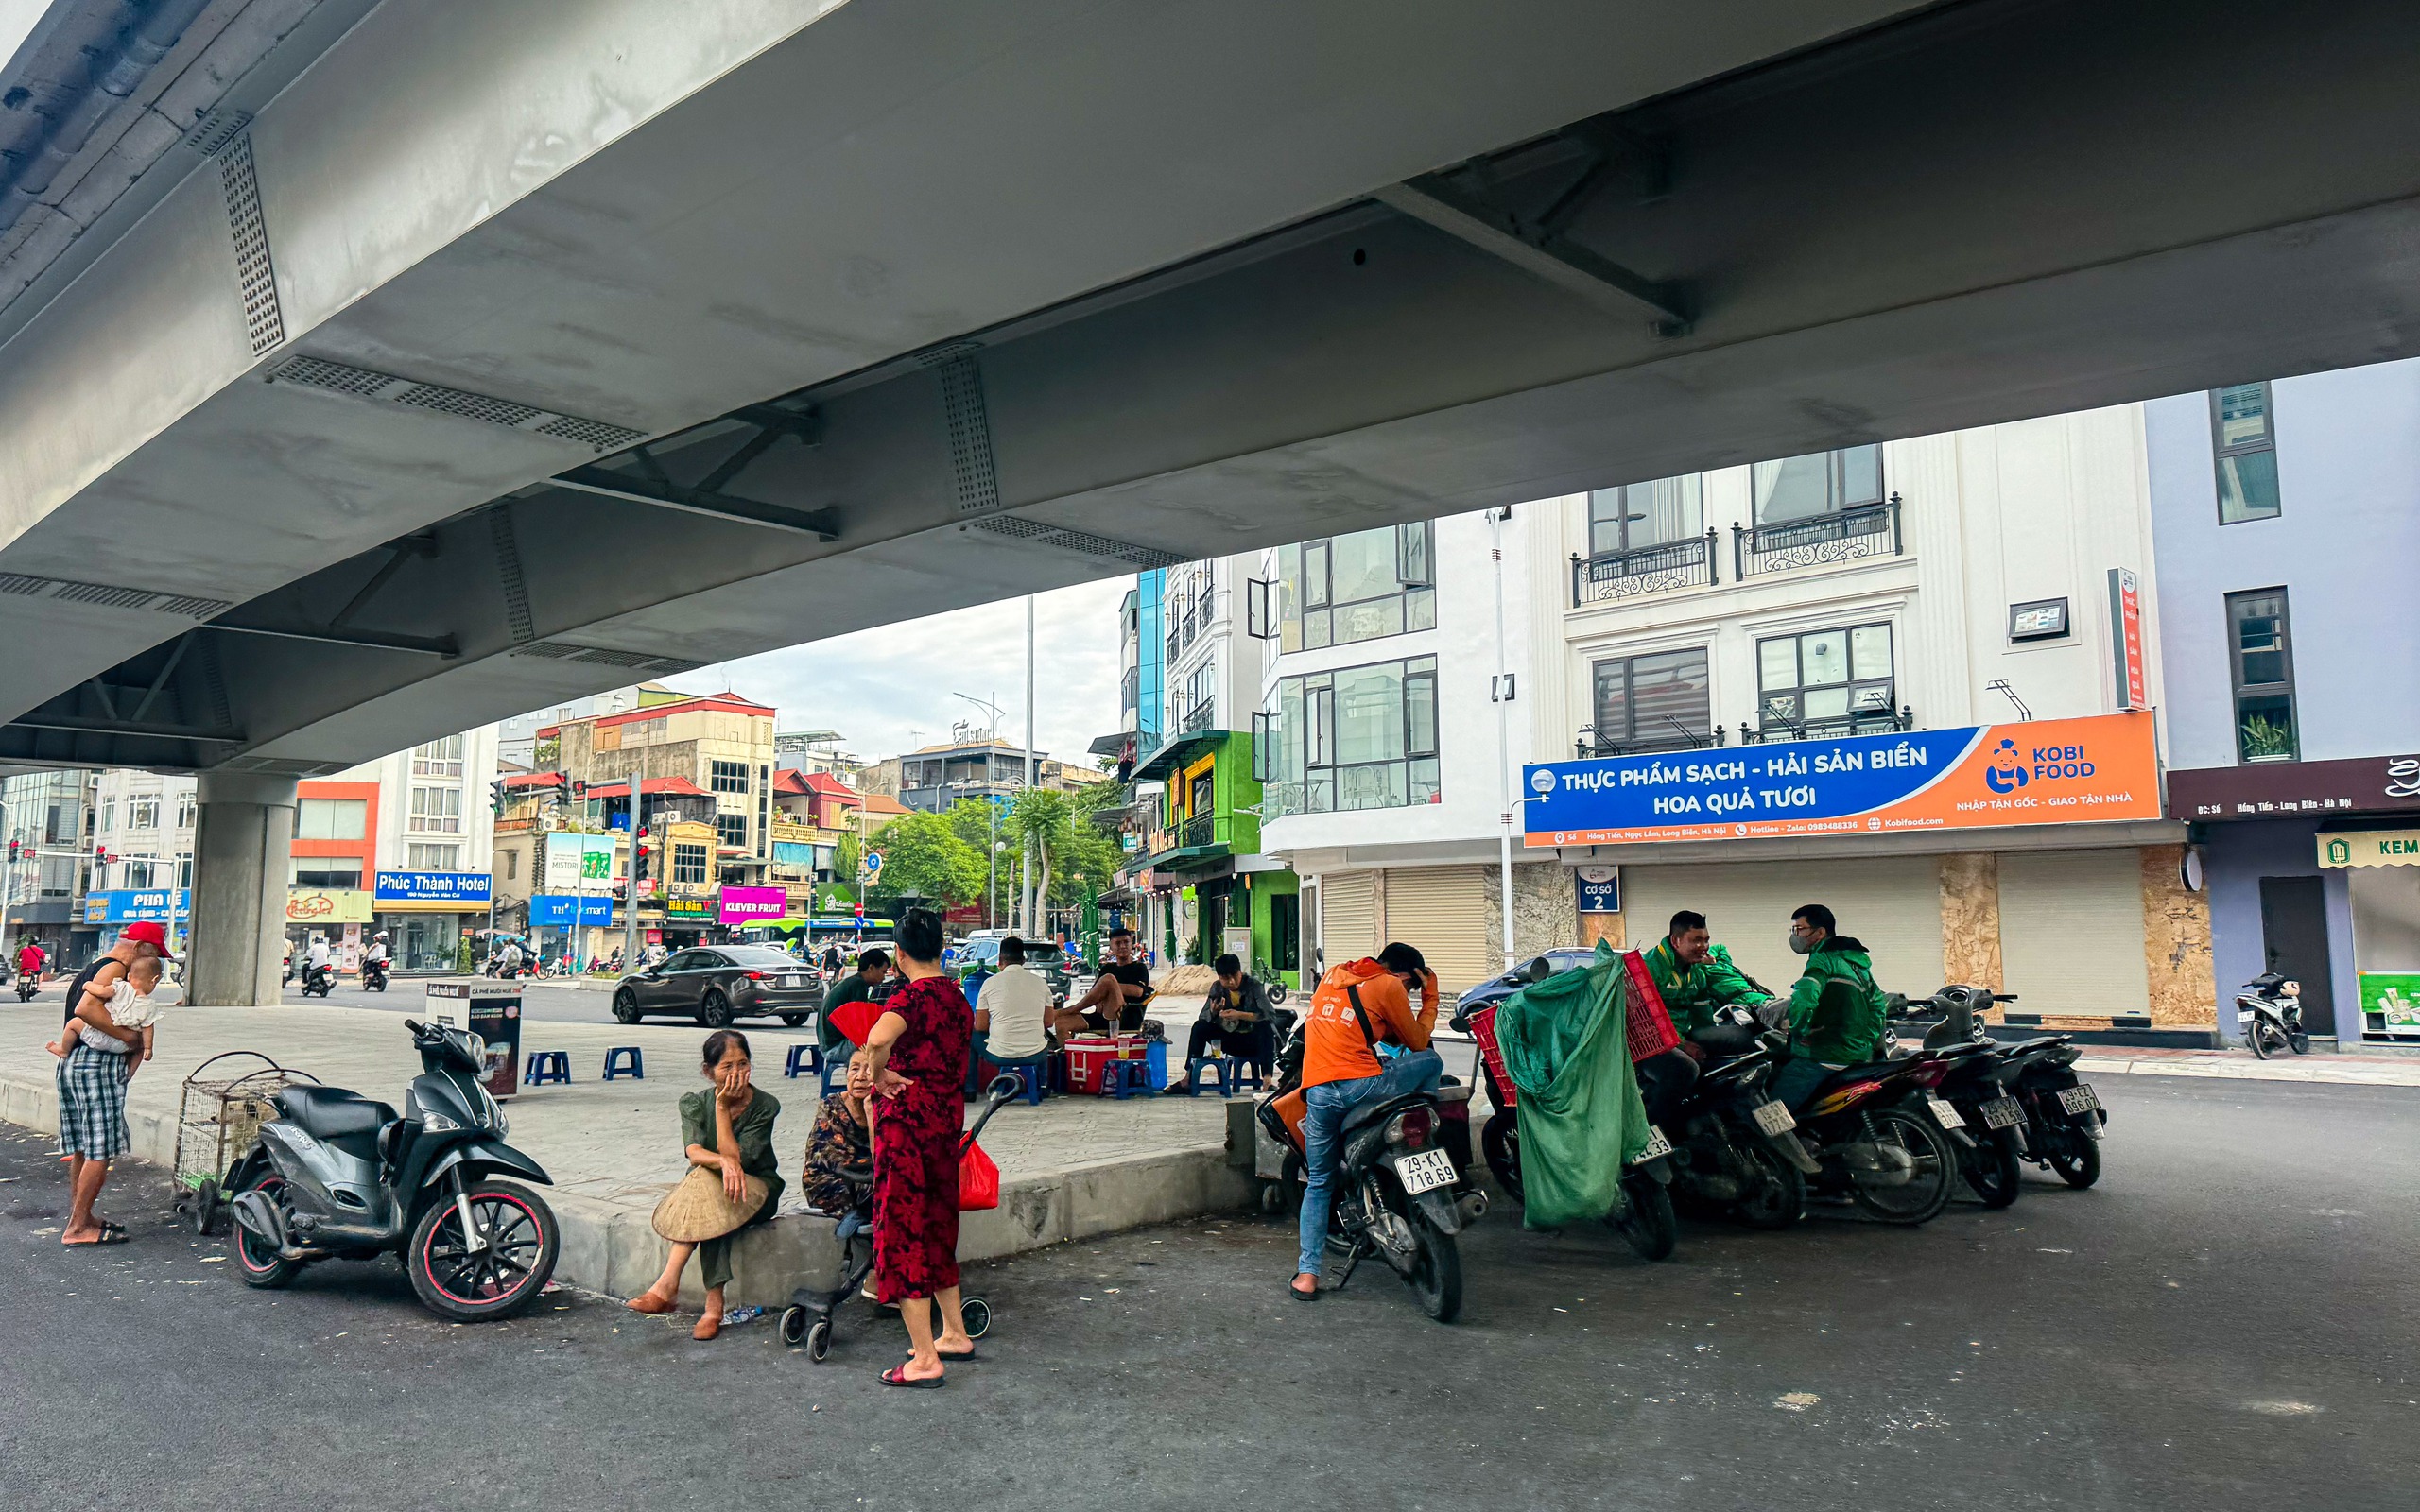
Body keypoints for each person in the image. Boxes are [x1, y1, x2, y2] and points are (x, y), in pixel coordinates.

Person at [858, 906, 976, 1388]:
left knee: (904, 1231)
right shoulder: (957, 998)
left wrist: (878, 1072)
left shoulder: (911, 998)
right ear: (943, 948)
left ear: (900, 954)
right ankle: (954, 1332)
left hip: (905, 1128)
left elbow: (875, 1036)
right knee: (939, 1224)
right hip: (946, 1127)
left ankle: (925, 1358)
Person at [1291, 942, 1443, 1300]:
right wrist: (1431, 995)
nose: (1407, 994)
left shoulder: (1333, 976)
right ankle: (1428, 1131)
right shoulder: (1389, 985)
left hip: (1318, 1092)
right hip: (1362, 1088)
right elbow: (1418, 1042)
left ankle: (1307, 1275)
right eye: (1410, 988)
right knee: (1432, 1062)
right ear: (1404, 976)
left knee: (1319, 1182)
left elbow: (1379, 1029)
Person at [628, 1030, 783, 1340]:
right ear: (707, 1071)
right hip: (715, 1187)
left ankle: (682, 1293)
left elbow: (737, 1158)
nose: (737, 1073)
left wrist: (723, 1111)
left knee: (715, 1199)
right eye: (727, 1067)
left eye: (743, 1064)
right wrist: (722, 1163)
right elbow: (693, 1152)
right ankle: (702, 1300)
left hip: (759, 1188)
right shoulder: (694, 1103)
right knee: (704, 1185)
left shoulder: (766, 1105)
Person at [54, 921, 171, 1247]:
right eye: (154, 954)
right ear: (138, 948)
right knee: (101, 1149)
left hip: (76, 1062)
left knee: (83, 1147)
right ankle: (77, 1227)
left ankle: (83, 1216)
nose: (151, 966)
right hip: (96, 1064)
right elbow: (85, 1009)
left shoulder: (97, 965)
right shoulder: (115, 970)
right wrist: (131, 1040)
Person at [1767, 904, 1893, 1111]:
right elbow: (1878, 1008)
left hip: (1822, 1056)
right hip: (1857, 1057)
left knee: (1772, 1112)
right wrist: (1863, 1042)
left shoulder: (1822, 960)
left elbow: (1805, 999)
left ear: (1820, 932)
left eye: (1800, 929)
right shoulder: (1857, 965)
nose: (1795, 935)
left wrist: (1799, 1030)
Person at [1642, 910, 1769, 1037]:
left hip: (1688, 1035)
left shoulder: (1697, 971)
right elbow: (1645, 1023)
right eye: (1696, 940)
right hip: (1661, 1042)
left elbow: (1703, 1019)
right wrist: (1683, 1045)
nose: (1703, 946)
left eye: (1706, 940)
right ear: (1676, 941)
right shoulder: (1648, 968)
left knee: (1745, 1036)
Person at [970, 936, 1052, 1092]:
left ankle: (969, 1090)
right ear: (1023, 960)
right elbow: (1048, 1022)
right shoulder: (1041, 982)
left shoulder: (989, 983)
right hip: (1036, 1054)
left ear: (1000, 960)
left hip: (999, 1055)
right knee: (1042, 1037)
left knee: (971, 1036)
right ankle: (1042, 1086)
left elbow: (980, 1026)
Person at [46, 954, 167, 1061]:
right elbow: (148, 1028)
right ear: (154, 980)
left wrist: (88, 985)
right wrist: (148, 1048)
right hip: (124, 1046)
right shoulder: (149, 1005)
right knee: (140, 1048)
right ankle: (128, 1074)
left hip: (102, 1037)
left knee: (73, 1024)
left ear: (129, 976)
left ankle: (63, 1049)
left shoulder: (121, 987)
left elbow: (102, 991)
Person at [801, 1051, 875, 1217]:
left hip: (870, 1179)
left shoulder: (888, 1108)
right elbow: (837, 1162)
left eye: (869, 1070)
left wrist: (871, 1114)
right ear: (846, 1074)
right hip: (835, 1179)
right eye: (854, 1069)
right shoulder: (831, 1106)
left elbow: (886, 1158)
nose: (860, 1077)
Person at [1053, 927, 1151, 1038]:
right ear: (1111, 947)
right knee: (1061, 1023)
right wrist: (1101, 997)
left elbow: (1138, 991)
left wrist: (1111, 987)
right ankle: (1073, 1054)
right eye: (1118, 943)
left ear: (1131, 943)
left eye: (1126, 942)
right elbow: (1094, 994)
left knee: (1108, 979)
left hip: (1124, 1017)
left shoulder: (1139, 967)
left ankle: (1073, 1009)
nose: (1122, 946)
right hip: (1102, 1016)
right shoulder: (1107, 968)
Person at [1188, 954, 1275, 1073]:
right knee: (1199, 1027)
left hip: (1252, 1040)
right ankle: (1189, 1076)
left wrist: (1239, 1015)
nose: (1231, 982)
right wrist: (1214, 1012)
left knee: (1265, 1027)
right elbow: (1203, 1017)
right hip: (1228, 1040)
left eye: (1234, 976)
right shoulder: (1217, 987)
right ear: (1219, 977)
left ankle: (1267, 1080)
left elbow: (1269, 1015)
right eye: (1225, 978)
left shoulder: (1254, 986)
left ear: (1240, 972)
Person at [820, 949, 891, 1058]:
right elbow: (861, 1026)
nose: (884, 977)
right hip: (834, 1049)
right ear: (871, 968)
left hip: (827, 1046)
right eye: (883, 972)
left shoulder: (851, 982)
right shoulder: (858, 985)